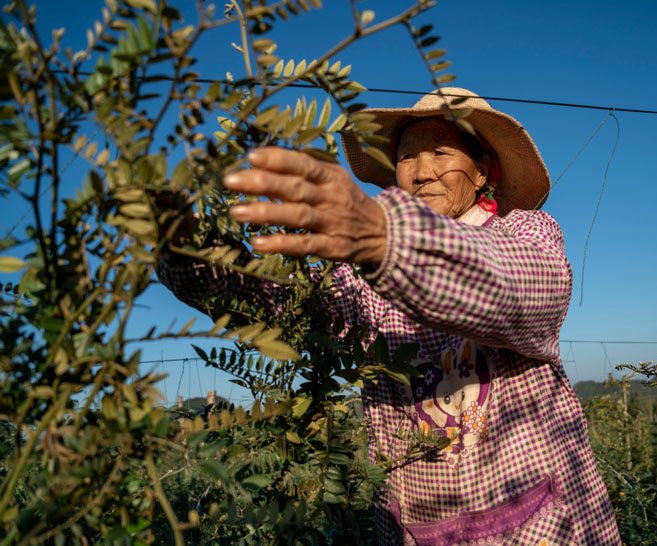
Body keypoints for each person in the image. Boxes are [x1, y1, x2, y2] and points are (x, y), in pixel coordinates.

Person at [158, 88, 621, 545]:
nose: (421, 172)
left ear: (482, 171)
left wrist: (385, 239)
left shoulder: (523, 233)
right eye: (406, 158)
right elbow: (278, 308)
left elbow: (529, 287)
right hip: (417, 530)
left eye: (440, 152)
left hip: (542, 526)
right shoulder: (360, 279)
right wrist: (189, 250)